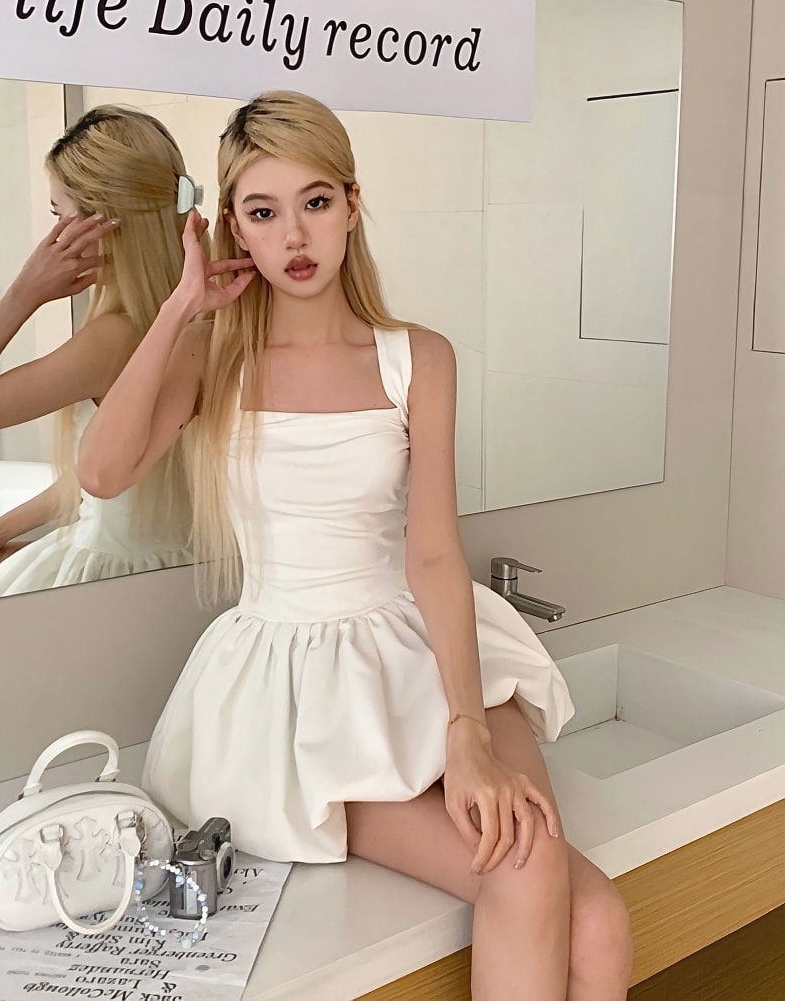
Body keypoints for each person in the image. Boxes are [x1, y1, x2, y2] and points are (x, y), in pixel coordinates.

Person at [76, 92, 632, 1000]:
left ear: (352, 204)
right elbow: (102, 473)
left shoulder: (420, 356)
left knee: (598, 922)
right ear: (232, 231)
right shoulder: (212, 358)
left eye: (315, 202)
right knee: (549, 886)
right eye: (263, 212)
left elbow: (435, 557)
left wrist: (466, 729)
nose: (294, 235)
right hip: (293, 693)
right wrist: (178, 310)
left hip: (427, 650)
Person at [0, 105, 199, 601]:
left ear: (100, 223)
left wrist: (25, 292)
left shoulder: (113, 340)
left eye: (59, 215)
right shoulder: (207, 319)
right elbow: (110, 481)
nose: (54, 236)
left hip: (116, 577)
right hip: (180, 570)